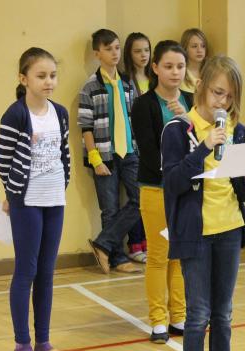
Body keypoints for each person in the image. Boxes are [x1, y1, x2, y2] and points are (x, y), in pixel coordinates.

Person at [162, 54, 245, 351]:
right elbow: (173, 182)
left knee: (223, 314)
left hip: (229, 229)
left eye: (230, 96)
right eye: (218, 92)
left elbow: (240, 191)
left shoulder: (239, 131)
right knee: (198, 314)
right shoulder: (179, 129)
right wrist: (204, 146)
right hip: (196, 233)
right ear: (202, 86)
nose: (223, 102)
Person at [0, 47, 73, 351]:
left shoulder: (60, 113)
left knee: (46, 272)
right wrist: (13, 193)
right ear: (23, 78)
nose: (48, 81)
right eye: (41, 76)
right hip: (27, 202)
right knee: (26, 271)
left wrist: (61, 183)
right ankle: (22, 345)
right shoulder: (15, 115)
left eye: (52, 75)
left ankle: (43, 341)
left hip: (54, 200)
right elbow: (2, 160)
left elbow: (64, 153)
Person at [131, 40, 193, 343]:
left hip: (187, 191)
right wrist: (177, 175)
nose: (175, 72)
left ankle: (179, 317)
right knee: (159, 255)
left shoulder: (192, 101)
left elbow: (202, 143)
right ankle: (158, 320)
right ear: (155, 68)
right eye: (168, 66)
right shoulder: (143, 105)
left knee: (180, 255)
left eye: (180, 66)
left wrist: (187, 119)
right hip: (156, 188)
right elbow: (149, 152)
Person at [78, 29, 142, 274]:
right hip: (104, 156)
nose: (114, 53)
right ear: (97, 54)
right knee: (110, 209)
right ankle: (117, 258)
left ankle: (102, 244)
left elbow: (134, 118)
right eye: (108, 49)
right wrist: (95, 160)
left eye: (117, 47)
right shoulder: (90, 87)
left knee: (141, 199)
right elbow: (86, 127)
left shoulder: (127, 83)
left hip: (130, 153)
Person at [122, 32, 152, 263]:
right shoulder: (125, 82)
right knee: (137, 197)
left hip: (153, 146)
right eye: (137, 51)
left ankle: (149, 241)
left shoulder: (155, 80)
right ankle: (135, 244)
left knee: (150, 196)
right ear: (129, 54)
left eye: (146, 50)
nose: (143, 55)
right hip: (133, 146)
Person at [180, 28, 209, 93]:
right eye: (194, 46)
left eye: (203, 46)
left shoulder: (210, 72)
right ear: (185, 48)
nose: (199, 50)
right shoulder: (180, 73)